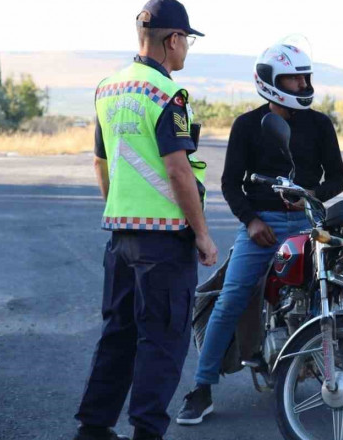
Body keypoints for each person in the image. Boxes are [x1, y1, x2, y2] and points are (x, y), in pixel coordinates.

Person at [176, 42, 343, 425]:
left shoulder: (319, 124)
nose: (303, 84)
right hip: (262, 227)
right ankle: (201, 388)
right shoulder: (246, 125)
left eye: (306, 76)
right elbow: (231, 183)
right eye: (294, 77)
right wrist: (252, 221)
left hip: (310, 222)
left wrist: (313, 196)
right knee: (231, 297)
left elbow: (335, 176)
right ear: (271, 81)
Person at [72, 1, 217, 439]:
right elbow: (178, 170)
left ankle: (93, 428)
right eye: (187, 41)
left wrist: (118, 208)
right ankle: (147, 432)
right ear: (172, 40)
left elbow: (100, 163)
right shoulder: (166, 94)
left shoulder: (108, 88)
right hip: (165, 242)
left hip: (121, 235)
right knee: (163, 340)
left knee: (117, 334)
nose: (187, 50)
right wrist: (203, 235)